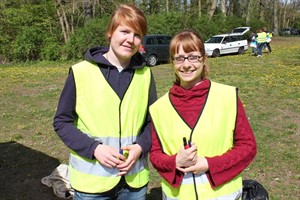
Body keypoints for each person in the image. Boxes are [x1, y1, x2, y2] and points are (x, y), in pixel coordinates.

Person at [53, 4, 157, 200]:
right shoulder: (80, 72)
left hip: (134, 183)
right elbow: (61, 122)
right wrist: (95, 149)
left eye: (137, 35)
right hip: (92, 185)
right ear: (110, 32)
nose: (130, 39)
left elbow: (153, 122)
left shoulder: (145, 74)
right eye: (125, 31)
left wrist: (140, 147)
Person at [149, 30, 257, 200]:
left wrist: (209, 164)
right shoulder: (158, 108)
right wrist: (175, 162)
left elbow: (248, 146)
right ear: (172, 62)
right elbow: (155, 154)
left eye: (193, 57)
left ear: (204, 58)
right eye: (179, 58)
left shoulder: (227, 97)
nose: (186, 65)